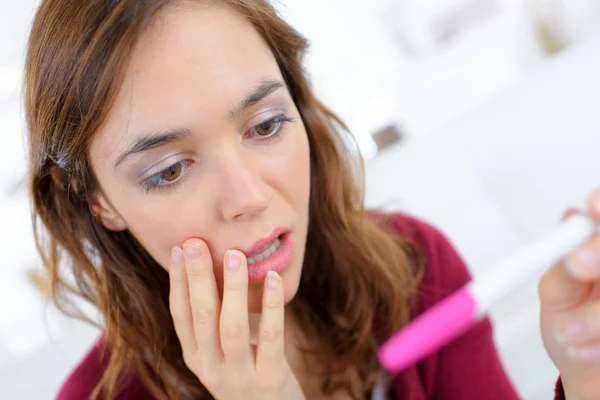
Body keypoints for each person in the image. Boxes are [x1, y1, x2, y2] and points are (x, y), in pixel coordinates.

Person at [23, 0, 600, 399]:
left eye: (267, 125)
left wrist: (581, 380)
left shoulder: (411, 267)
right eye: (171, 169)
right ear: (99, 202)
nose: (248, 197)